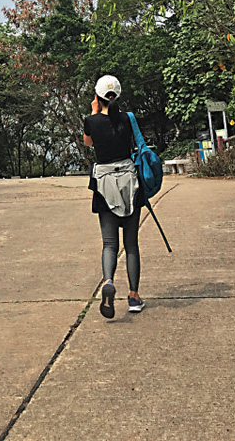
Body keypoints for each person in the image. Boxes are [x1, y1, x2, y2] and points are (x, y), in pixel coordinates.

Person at [83, 74, 145, 318]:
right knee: (131, 244)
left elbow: (89, 144)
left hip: (104, 183)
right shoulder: (128, 119)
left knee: (109, 244)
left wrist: (94, 111)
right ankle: (134, 296)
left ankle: (108, 281)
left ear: (98, 96)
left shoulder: (91, 121)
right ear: (118, 95)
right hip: (130, 181)